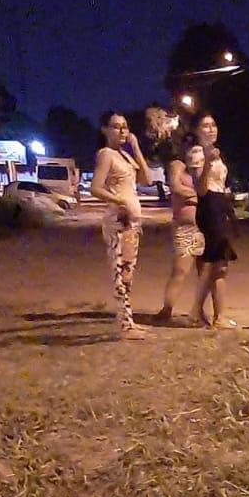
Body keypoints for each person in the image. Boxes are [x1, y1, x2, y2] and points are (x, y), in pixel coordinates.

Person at [91, 111, 152, 339]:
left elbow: (146, 179)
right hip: (118, 221)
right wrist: (119, 201)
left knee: (128, 271)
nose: (122, 131)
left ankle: (129, 320)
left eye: (125, 127)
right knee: (119, 270)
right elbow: (95, 188)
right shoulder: (106, 154)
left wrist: (136, 148)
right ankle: (125, 325)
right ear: (105, 130)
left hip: (132, 223)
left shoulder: (125, 156)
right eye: (116, 127)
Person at [192, 114, 238, 328]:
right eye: (205, 126)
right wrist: (208, 164)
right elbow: (200, 189)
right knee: (214, 263)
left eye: (213, 125)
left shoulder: (216, 154)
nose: (210, 129)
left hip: (218, 203)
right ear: (197, 130)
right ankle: (203, 313)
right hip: (209, 204)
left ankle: (211, 314)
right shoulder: (197, 153)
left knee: (217, 264)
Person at [155, 138, 204, 324]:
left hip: (204, 225)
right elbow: (176, 187)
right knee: (180, 270)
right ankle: (167, 309)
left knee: (205, 272)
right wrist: (200, 197)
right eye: (190, 147)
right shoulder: (177, 165)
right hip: (184, 226)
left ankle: (201, 312)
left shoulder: (204, 169)